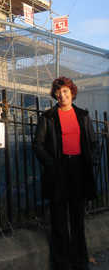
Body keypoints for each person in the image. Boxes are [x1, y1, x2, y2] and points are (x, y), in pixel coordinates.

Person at [33, 76, 97, 270]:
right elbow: (38, 145)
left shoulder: (83, 115)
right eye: (59, 92)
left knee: (78, 219)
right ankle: (61, 263)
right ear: (55, 95)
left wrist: (90, 160)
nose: (62, 95)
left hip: (78, 169)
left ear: (72, 93)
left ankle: (80, 260)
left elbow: (93, 142)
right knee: (59, 219)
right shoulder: (48, 117)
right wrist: (51, 165)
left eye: (66, 91)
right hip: (58, 170)